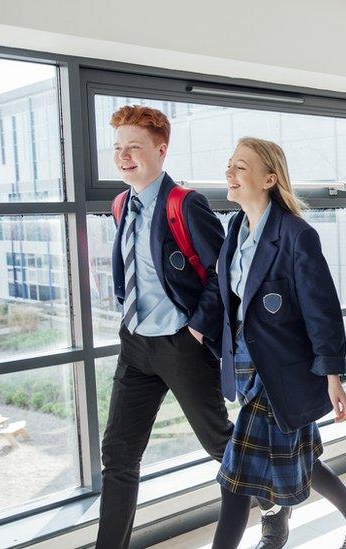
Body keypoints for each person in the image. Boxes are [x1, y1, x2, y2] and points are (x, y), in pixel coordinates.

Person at [212, 137, 346, 549]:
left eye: (240, 168)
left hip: (281, 371)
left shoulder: (296, 235)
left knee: (234, 481)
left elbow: (322, 311)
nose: (229, 174)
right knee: (301, 456)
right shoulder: (234, 229)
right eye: (229, 165)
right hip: (247, 368)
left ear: (269, 179)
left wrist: (333, 377)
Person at [98, 105, 232, 549]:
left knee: (220, 445)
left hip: (181, 344)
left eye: (134, 147)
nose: (123, 156)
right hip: (135, 344)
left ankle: (275, 502)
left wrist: (196, 328)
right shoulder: (122, 204)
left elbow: (222, 273)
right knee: (118, 456)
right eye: (118, 148)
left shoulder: (184, 203)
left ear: (161, 149)